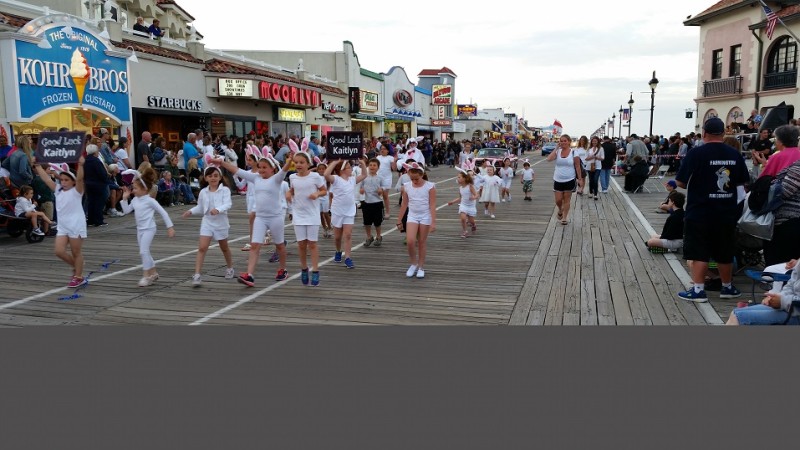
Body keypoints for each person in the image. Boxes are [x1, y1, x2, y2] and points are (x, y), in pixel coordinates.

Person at [675, 117, 749, 302]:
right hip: (726, 212)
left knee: (699, 250)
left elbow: (680, 182)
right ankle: (727, 287)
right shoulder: (734, 154)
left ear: (705, 133)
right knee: (724, 251)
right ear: (723, 133)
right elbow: (742, 181)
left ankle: (699, 290)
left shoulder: (696, 153)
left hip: (699, 211)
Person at [220, 155, 292, 287]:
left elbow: (284, 170)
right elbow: (237, 171)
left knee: (280, 245)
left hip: (275, 217)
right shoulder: (256, 178)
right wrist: (221, 163)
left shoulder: (276, 179)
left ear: (272, 169)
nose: (261, 170)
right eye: (260, 167)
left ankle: (283, 269)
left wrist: (289, 161)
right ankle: (250, 275)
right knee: (255, 245)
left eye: (265, 167)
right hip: (260, 217)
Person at [34, 161, 87, 287]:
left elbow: (80, 178)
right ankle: (77, 265)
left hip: (76, 225)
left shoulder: (77, 191)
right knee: (59, 251)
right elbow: (46, 179)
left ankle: (78, 276)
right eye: (62, 179)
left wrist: (80, 165)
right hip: (63, 226)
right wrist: (37, 166)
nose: (63, 182)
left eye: (66, 180)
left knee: (76, 252)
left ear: (72, 181)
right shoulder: (58, 190)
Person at [120, 168, 175, 287]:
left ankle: (146, 276)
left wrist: (169, 227)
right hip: (140, 229)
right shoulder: (135, 200)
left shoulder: (150, 201)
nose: (133, 190)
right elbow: (126, 211)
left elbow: (163, 213)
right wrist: (124, 198)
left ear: (144, 189)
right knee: (145, 252)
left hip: (150, 228)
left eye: (135, 188)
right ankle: (154, 273)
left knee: (143, 251)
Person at [182, 166, 234, 286]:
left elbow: (228, 204)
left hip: (221, 223)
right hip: (207, 222)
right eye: (210, 176)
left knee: (224, 247)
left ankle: (230, 267)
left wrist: (218, 209)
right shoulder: (203, 192)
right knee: (202, 248)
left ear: (220, 177)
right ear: (205, 178)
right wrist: (191, 211)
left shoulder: (225, 190)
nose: (213, 178)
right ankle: (197, 274)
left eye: (216, 176)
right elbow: (200, 208)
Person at [289, 152, 328, 286]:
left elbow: (324, 191)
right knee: (301, 244)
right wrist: (289, 193)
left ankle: (315, 270)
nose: (298, 165)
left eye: (302, 162)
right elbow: (293, 190)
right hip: (298, 213)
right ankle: (304, 268)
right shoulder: (292, 177)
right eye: (296, 162)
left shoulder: (315, 176)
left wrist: (317, 193)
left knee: (312, 243)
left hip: (312, 214)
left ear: (308, 163)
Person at [726, 259, 800, 325]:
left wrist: (781, 301)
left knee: (739, 317)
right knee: (735, 313)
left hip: (795, 312)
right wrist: (778, 298)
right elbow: (790, 285)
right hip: (789, 307)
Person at [324, 159, 367, 269]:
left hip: (349, 211)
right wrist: (334, 162)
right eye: (349, 167)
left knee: (347, 235)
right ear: (342, 170)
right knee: (337, 237)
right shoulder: (336, 179)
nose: (351, 169)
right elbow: (326, 174)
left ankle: (347, 257)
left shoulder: (352, 180)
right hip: (337, 211)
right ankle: (338, 251)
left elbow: (364, 175)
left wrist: (362, 164)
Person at [397, 162, 436, 278]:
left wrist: (433, 222)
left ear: (422, 175)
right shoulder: (407, 186)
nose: (414, 181)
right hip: (412, 215)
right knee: (410, 241)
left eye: (416, 179)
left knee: (421, 242)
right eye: (412, 179)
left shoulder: (430, 186)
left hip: (425, 216)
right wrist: (399, 220)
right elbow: (404, 204)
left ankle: (421, 266)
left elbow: (432, 205)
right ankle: (413, 263)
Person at [763, 159, 800, 266]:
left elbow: (785, 191)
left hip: (789, 220)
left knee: (780, 263)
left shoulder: (798, 168)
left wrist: (770, 183)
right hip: (792, 221)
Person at [546, 134, 582, 225]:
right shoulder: (558, 152)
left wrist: (580, 179)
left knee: (567, 199)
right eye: (561, 141)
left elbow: (577, 166)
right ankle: (560, 209)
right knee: (558, 200)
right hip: (558, 179)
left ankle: (565, 217)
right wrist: (556, 148)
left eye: (565, 141)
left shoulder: (574, 152)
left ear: (569, 142)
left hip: (570, 179)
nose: (563, 142)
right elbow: (549, 159)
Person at [360, 158, 385, 247]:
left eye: (374, 165)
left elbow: (384, 187)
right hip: (366, 202)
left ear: (378, 167)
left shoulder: (380, 178)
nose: (372, 167)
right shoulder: (364, 176)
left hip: (377, 202)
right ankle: (369, 236)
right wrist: (361, 189)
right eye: (370, 165)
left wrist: (381, 190)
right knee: (367, 222)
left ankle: (378, 236)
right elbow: (360, 186)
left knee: (377, 222)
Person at [83, 144, 110, 227]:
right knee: (99, 202)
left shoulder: (85, 161)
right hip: (98, 184)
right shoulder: (96, 161)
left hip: (88, 183)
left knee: (91, 202)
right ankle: (98, 220)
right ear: (95, 152)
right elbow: (102, 173)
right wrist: (106, 179)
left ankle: (91, 220)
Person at [447, 169, 478, 238]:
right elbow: (460, 198)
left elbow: (476, 194)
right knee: (463, 218)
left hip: (471, 206)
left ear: (465, 178)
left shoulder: (470, 186)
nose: (457, 179)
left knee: (471, 221)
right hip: (463, 205)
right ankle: (465, 231)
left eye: (459, 177)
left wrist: (474, 197)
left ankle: (473, 225)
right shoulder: (460, 188)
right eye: (457, 177)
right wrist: (452, 202)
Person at [375, 145, 396, 219]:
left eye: (384, 149)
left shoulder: (390, 158)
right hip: (378, 177)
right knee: (377, 194)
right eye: (381, 149)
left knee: (385, 195)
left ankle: (387, 212)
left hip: (387, 178)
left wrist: (394, 162)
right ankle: (378, 211)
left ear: (388, 150)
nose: (382, 150)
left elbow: (394, 169)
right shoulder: (378, 157)